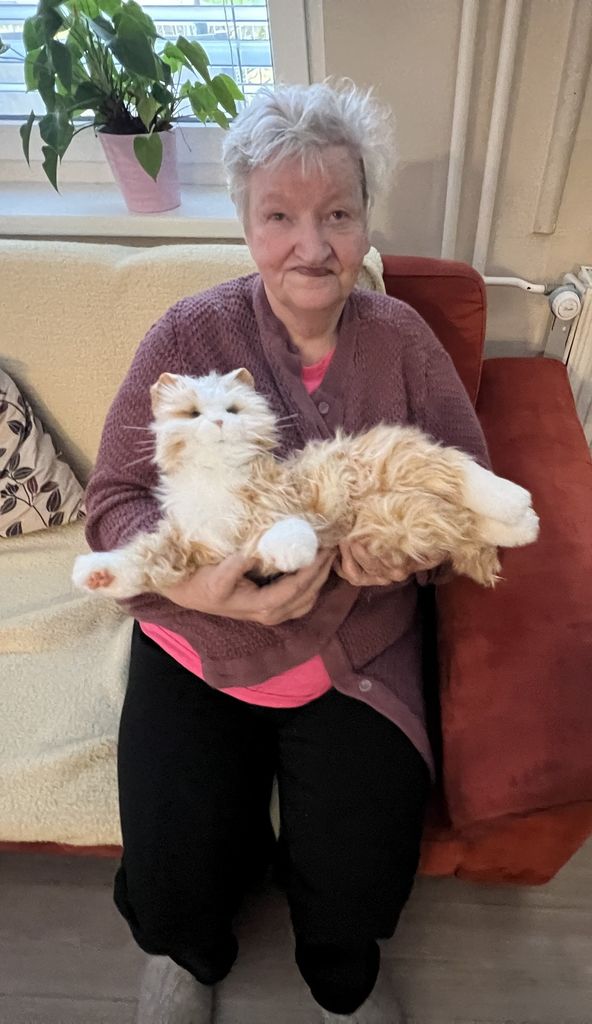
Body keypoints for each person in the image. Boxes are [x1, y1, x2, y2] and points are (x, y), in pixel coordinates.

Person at [85, 80, 490, 1024]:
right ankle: (189, 955)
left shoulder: (402, 341)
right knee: (172, 856)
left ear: (364, 220)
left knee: (361, 869)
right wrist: (201, 589)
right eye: (281, 216)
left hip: (354, 648)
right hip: (197, 639)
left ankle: (342, 983)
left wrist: (411, 552)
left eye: (337, 214)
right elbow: (111, 505)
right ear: (247, 224)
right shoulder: (188, 335)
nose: (313, 246)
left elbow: (465, 484)